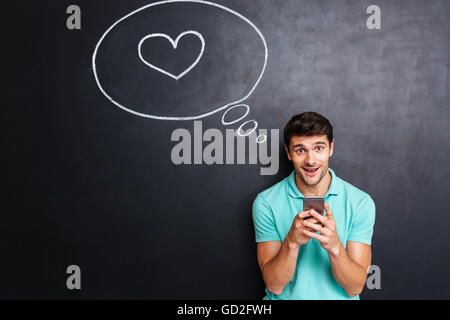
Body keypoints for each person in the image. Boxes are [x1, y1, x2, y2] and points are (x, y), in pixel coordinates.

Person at [252, 111, 376, 300]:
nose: (310, 160)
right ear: (288, 152)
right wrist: (291, 242)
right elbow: (275, 286)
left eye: (319, 148)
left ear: (331, 148)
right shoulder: (266, 202)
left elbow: (355, 287)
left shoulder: (360, 202)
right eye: (300, 150)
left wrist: (334, 246)